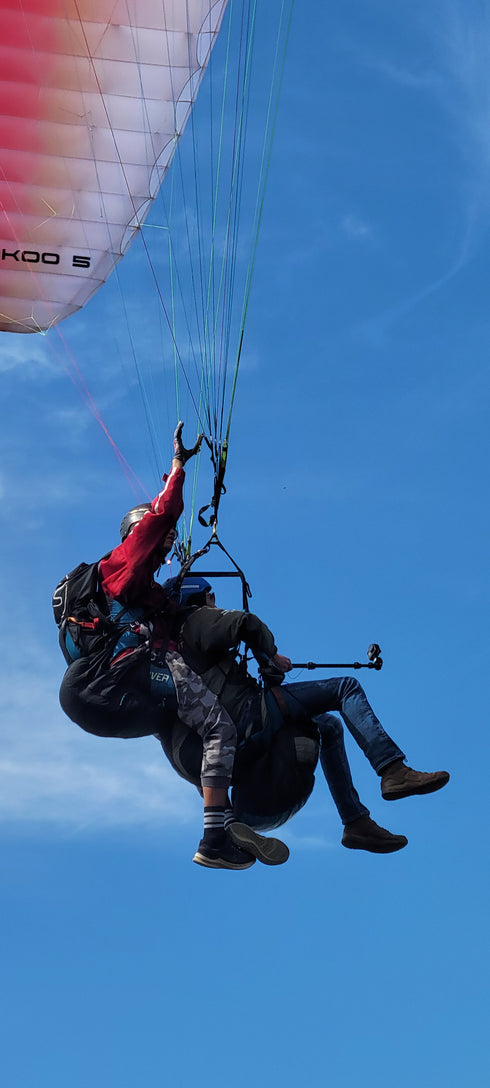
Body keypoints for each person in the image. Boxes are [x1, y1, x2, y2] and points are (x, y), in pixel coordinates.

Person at [59, 424, 286, 871]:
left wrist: (192, 591)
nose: (167, 540)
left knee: (187, 729)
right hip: (122, 676)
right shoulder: (125, 561)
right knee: (218, 726)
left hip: (104, 699)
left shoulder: (138, 589)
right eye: (159, 535)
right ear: (138, 533)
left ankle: (225, 819)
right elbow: (163, 515)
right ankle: (214, 838)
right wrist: (178, 464)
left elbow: (167, 609)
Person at [162, 582, 449, 853]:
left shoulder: (171, 657)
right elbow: (244, 623)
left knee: (329, 726)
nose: (214, 602)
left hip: (235, 738)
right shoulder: (195, 619)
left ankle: (356, 822)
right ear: (196, 597)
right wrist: (272, 655)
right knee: (346, 688)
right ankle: (392, 770)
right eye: (211, 596)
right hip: (247, 716)